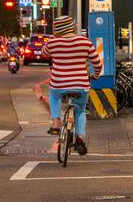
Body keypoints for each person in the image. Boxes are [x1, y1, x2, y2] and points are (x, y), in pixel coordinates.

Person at [42, 15, 101, 156]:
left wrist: (52, 37)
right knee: (80, 110)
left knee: (53, 95)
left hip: (59, 83)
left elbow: (44, 53)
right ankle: (80, 138)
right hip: (81, 84)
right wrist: (96, 75)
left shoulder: (53, 42)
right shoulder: (85, 42)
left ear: (56, 29)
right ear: (72, 26)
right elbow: (97, 63)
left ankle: (56, 122)